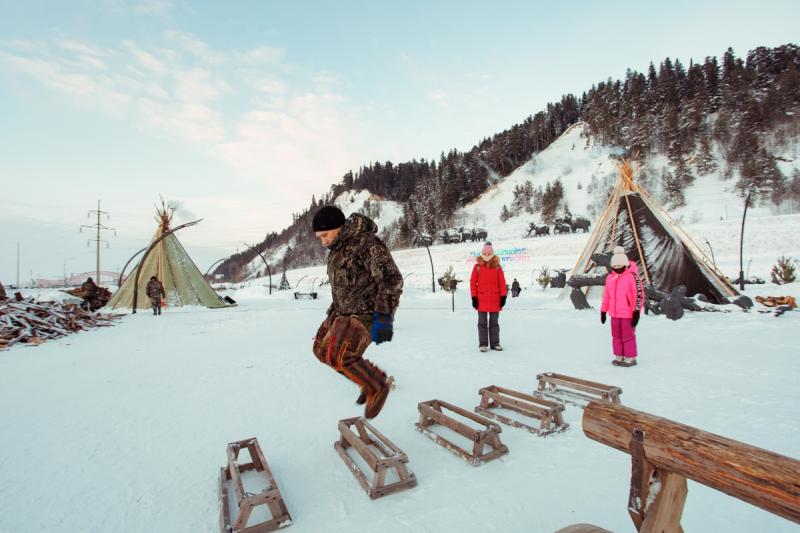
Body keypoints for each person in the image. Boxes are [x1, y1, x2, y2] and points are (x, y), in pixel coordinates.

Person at [311, 205, 403, 419]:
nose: (322, 241)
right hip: (342, 312)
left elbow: (392, 279)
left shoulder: (366, 243)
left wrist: (384, 317)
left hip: (367, 313)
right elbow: (341, 287)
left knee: (341, 355)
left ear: (338, 227)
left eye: (325, 235)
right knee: (321, 351)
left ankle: (377, 386)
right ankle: (365, 381)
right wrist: (332, 315)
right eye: (319, 237)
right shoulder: (335, 252)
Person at [600, 246, 644, 367]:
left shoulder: (632, 277)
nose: (617, 268)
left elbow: (639, 295)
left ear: (625, 264)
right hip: (614, 314)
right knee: (616, 335)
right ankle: (619, 355)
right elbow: (606, 296)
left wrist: (636, 312)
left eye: (619, 266)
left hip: (628, 314)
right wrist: (603, 311)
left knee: (628, 335)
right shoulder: (610, 278)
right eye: (615, 266)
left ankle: (630, 357)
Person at [470, 242, 508, 352]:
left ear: (492, 253)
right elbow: (472, 283)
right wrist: (474, 297)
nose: (487, 255)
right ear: (482, 253)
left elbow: (502, 282)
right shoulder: (477, 267)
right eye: (484, 253)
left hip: (495, 299)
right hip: (481, 299)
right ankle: (483, 344)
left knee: (494, 323)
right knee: (482, 323)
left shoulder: (497, 267)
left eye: (489, 253)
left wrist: (503, 297)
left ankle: (495, 343)